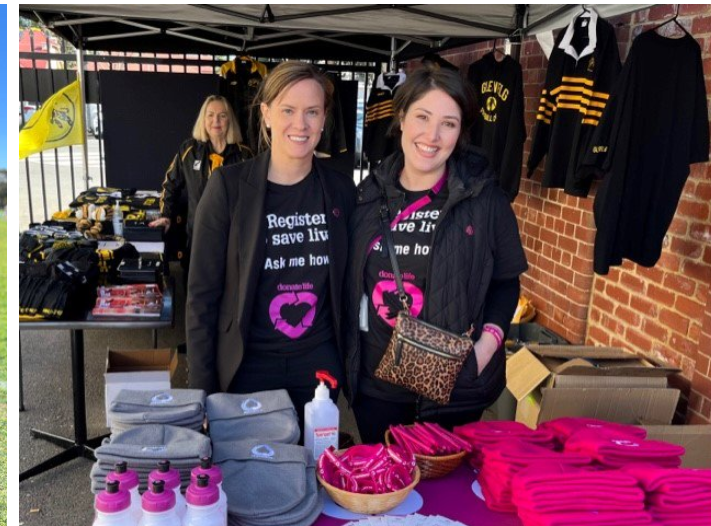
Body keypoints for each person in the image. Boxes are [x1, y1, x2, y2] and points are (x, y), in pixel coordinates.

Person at [343, 67, 528, 444]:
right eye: (422, 118)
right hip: (376, 387)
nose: (432, 136)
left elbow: (506, 282)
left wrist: (484, 349)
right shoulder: (365, 197)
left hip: (454, 387)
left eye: (448, 123)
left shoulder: (485, 200)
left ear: (461, 133)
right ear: (401, 118)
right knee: (385, 487)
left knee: (447, 497)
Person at [187, 61, 355, 415]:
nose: (301, 124)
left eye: (312, 112)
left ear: (324, 119)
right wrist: (200, 395)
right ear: (266, 114)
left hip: (319, 369)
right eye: (288, 110)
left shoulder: (341, 191)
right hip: (248, 366)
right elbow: (201, 298)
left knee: (311, 467)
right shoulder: (228, 188)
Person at [154, 95, 253, 269]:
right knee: (197, 288)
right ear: (203, 119)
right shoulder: (189, 150)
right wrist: (165, 216)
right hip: (197, 236)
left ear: (229, 120)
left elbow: (255, 197)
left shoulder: (245, 156)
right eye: (210, 115)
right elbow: (170, 185)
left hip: (234, 238)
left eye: (222, 115)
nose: (216, 121)